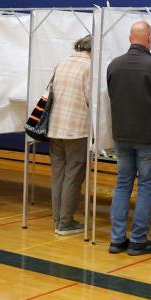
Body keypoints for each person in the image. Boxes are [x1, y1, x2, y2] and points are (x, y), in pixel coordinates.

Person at [106, 21, 151, 256]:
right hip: (149, 136)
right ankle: (138, 241)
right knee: (146, 187)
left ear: (130, 38)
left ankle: (116, 239)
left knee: (122, 185)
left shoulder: (114, 65)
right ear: (149, 38)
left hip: (121, 135)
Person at [46, 35, 92, 236]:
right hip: (76, 129)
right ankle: (65, 222)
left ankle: (58, 218)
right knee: (73, 175)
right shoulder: (89, 67)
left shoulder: (61, 63)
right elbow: (92, 100)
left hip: (54, 127)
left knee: (58, 174)